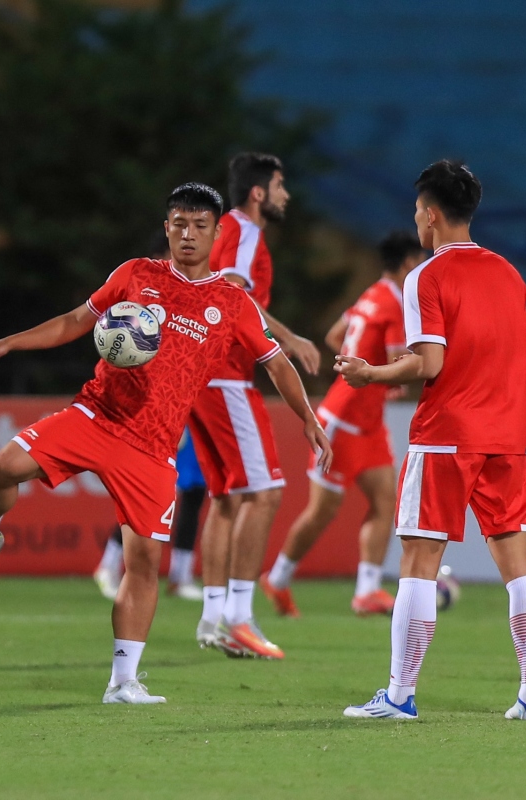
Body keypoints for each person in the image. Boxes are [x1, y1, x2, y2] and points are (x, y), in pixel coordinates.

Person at [0, 183, 331, 705]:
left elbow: (276, 363)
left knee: (143, 563)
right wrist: (9, 342)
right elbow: (77, 321)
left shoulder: (232, 302)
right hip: (95, 414)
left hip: (153, 448)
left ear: (215, 233)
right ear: (167, 228)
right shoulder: (136, 275)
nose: (188, 234)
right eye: (179, 224)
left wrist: (307, 418)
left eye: (199, 226)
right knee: (2, 469)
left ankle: (124, 682)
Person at [336, 160, 526, 722]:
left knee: (418, 559)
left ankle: (400, 696)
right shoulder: (509, 273)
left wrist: (370, 374)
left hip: (447, 436)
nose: (416, 219)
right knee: (519, 565)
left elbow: (429, 364)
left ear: (430, 215)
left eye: (416, 211)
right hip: (509, 438)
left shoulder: (425, 277)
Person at [189, 153, 321, 659]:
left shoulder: (225, 230)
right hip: (226, 375)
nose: (286, 195)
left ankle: (212, 618)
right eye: (281, 185)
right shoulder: (243, 231)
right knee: (265, 493)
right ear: (260, 192)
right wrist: (288, 337)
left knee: (227, 500)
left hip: (200, 376)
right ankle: (240, 616)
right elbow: (233, 290)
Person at [261, 232, 427, 617]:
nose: (422, 267)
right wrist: (390, 376)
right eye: (419, 260)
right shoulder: (397, 304)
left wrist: (365, 371)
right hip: (341, 421)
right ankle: (278, 578)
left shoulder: (372, 294)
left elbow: (337, 336)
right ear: (407, 263)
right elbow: (399, 359)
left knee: (387, 501)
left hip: (367, 423)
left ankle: (367, 591)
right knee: (322, 512)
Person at [93, 233, 207, 603]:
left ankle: (182, 574)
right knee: (146, 491)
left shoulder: (191, 300)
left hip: (187, 408)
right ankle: (109, 565)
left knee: (192, 490)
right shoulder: (139, 304)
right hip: (151, 413)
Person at [94, 428, 208, 603]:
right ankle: (108, 565)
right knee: (151, 497)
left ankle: (181, 576)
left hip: (203, 422)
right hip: (176, 417)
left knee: (195, 493)